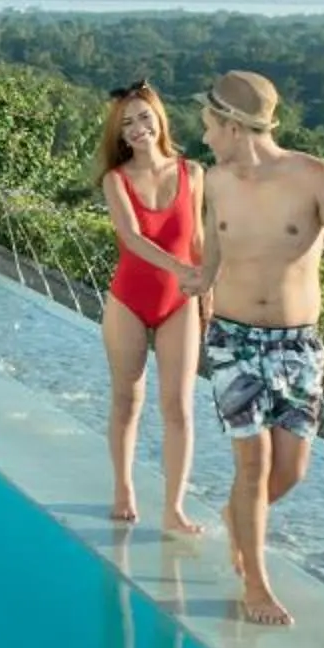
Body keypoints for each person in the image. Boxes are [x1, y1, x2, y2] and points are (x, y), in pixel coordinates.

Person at [182, 71, 324, 625]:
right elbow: (212, 254)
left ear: (235, 126)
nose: (205, 138)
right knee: (254, 461)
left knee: (291, 469)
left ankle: (240, 515)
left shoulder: (315, 176)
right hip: (233, 339)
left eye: (209, 127)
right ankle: (256, 587)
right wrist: (197, 284)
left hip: (298, 344)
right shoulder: (214, 182)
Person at [96, 81, 206, 532]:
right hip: (129, 301)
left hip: (180, 305)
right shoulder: (115, 179)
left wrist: (206, 289)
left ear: (160, 118)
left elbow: (197, 237)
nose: (138, 128)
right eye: (128, 124)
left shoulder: (193, 173)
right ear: (119, 135)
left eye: (144, 117)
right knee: (128, 400)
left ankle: (174, 507)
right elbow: (133, 239)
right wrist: (181, 270)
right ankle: (123, 486)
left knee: (178, 406)